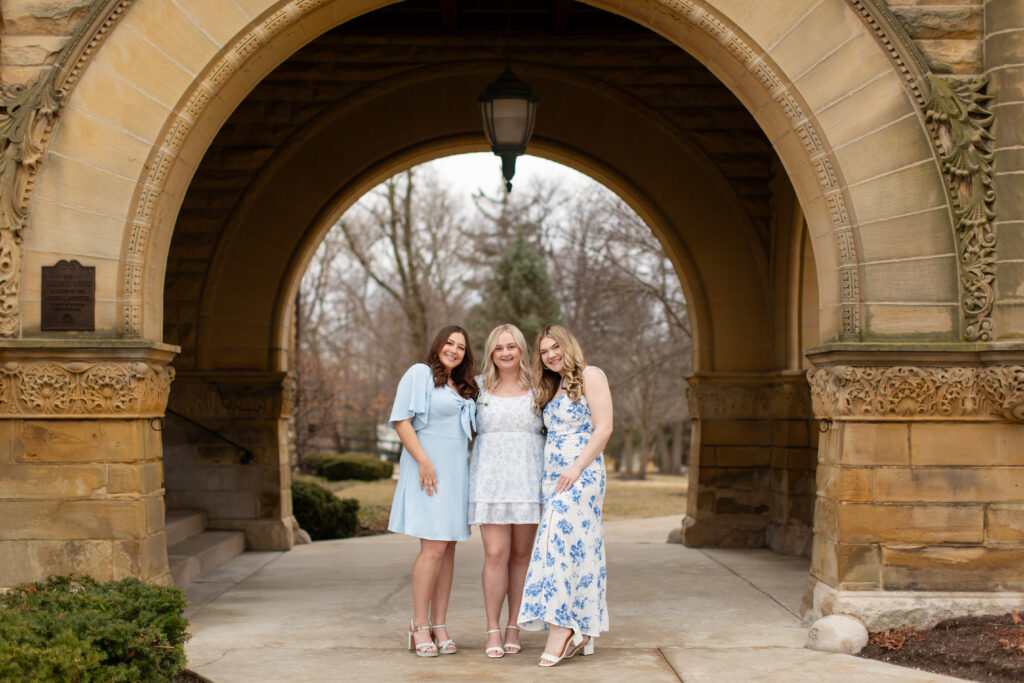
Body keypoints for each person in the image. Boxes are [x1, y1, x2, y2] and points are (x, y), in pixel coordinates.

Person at [517, 324, 612, 667]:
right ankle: (583, 628)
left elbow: (604, 428)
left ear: (568, 345)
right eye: (544, 351)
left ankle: (561, 629)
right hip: (552, 478)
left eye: (555, 347)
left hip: (581, 474)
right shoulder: (552, 385)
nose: (550, 355)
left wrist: (576, 467)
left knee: (555, 545)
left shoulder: (591, 376)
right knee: (576, 548)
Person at [388, 325, 478, 657]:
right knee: (434, 549)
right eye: (449, 343)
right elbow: (402, 421)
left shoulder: (463, 386)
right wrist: (424, 462)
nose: (454, 350)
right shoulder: (420, 374)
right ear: (438, 345)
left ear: (466, 354)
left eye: (461, 347)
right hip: (429, 472)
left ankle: (439, 625)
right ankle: (418, 625)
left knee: (448, 549)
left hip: (456, 475)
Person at [468, 324, 545, 658]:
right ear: (491, 352)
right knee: (496, 553)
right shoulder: (477, 388)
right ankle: (492, 629)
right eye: (499, 348)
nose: (505, 353)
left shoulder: (539, 386)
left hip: (529, 478)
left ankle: (514, 626)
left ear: (521, 350)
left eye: (511, 346)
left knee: (521, 555)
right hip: (491, 480)